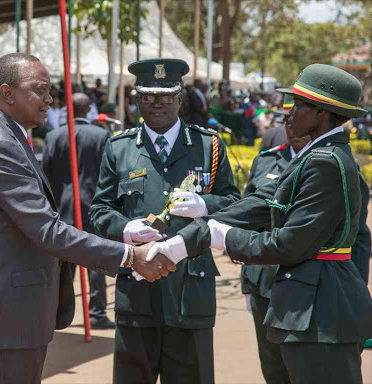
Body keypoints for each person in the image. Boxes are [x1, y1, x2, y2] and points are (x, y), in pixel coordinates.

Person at [0, 53, 174, 384]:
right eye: (40, 90)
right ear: (8, 93)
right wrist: (128, 256)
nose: (50, 99)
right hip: (7, 313)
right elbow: (47, 230)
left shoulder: (3, 133)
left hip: (13, 311)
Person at [148, 64, 372, 384]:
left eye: (297, 104)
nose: (288, 113)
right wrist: (188, 238)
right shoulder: (319, 156)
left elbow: (288, 244)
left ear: (321, 113)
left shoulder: (325, 162)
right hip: (306, 309)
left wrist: (224, 236)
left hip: (319, 313)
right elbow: (266, 204)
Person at [89, 58, 241, 384]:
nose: (156, 104)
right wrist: (125, 228)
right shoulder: (119, 147)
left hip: (191, 288)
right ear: (136, 99)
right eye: (147, 97)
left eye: (165, 97)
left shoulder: (207, 145)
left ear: (180, 98)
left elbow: (235, 204)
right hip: (136, 288)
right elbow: (100, 209)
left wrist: (205, 204)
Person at [43, 92, 115, 329]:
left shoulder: (54, 136)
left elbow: (46, 175)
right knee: (94, 259)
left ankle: (59, 311)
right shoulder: (101, 135)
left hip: (63, 207)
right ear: (90, 109)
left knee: (66, 261)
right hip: (93, 205)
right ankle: (96, 312)